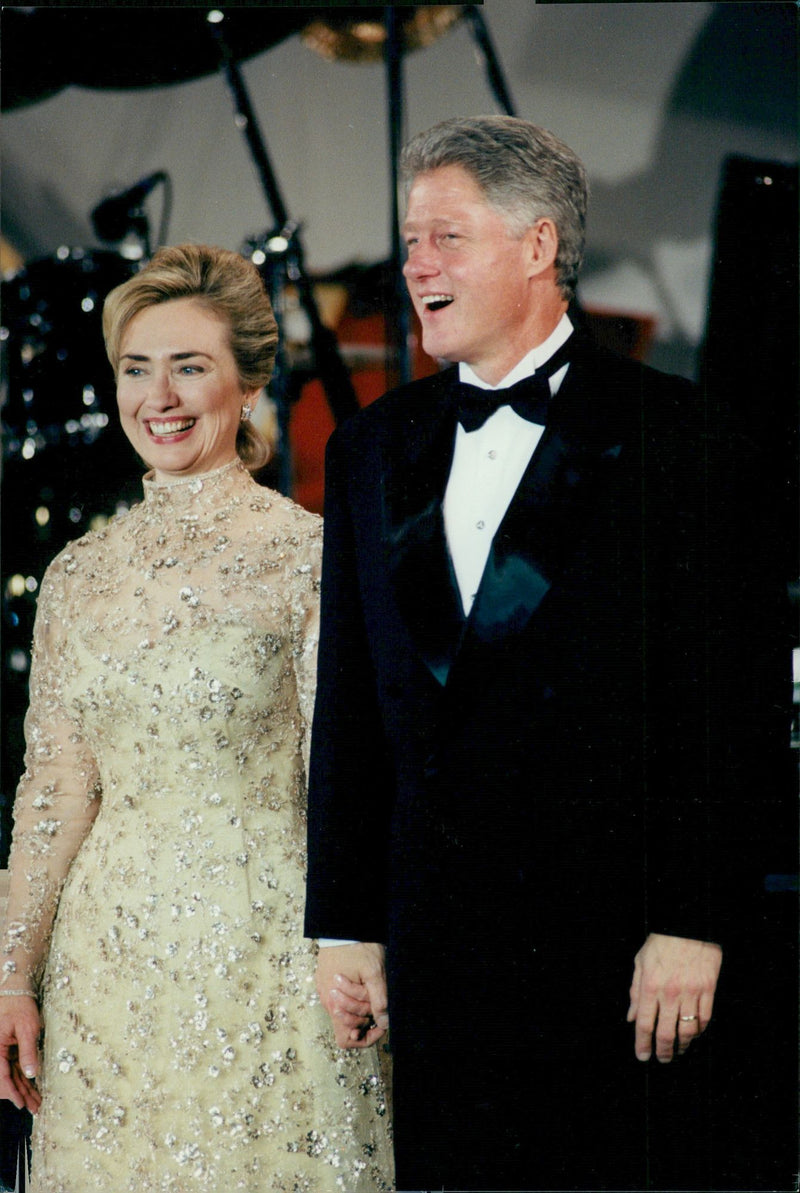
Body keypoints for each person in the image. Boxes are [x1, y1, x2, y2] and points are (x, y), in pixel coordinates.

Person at [304, 117, 795, 1190]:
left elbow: (728, 702)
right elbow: (350, 701)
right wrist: (344, 922)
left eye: (444, 236)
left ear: (536, 245)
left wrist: (692, 918)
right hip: (433, 956)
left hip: (618, 957)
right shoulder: (367, 449)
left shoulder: (685, 437)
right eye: (408, 240)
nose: (413, 266)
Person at [0, 244, 393, 1193]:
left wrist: (359, 946)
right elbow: (55, 786)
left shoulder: (312, 558)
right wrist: (14, 971)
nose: (159, 397)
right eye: (137, 368)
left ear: (250, 382)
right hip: (105, 973)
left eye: (190, 366)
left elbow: (349, 773)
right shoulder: (78, 575)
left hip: (268, 958)